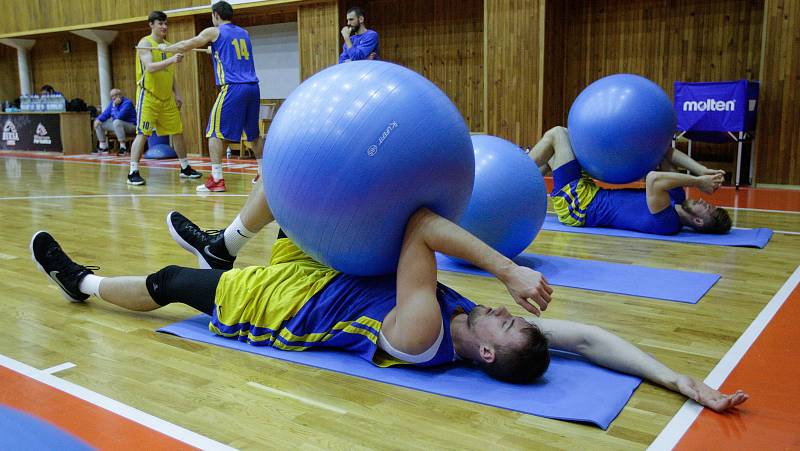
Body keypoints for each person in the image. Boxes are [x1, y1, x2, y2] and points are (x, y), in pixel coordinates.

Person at [31, 209, 747, 409]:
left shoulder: (426, 330)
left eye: (504, 319)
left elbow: (421, 227)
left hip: (284, 305)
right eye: (508, 307)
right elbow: (587, 339)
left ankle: (83, 284)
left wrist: (505, 264)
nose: (503, 308)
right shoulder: (478, 328)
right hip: (334, 266)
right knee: (296, 184)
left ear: (487, 353)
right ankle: (227, 237)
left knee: (167, 282)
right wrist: (680, 380)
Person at [529, 126, 732, 235]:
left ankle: (516, 171)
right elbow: (663, 152)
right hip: (589, 191)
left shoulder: (667, 222)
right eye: (710, 204)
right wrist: (703, 171)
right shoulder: (677, 197)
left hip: (579, 206)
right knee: (563, 146)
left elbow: (654, 179)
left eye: (708, 209)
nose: (706, 202)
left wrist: (698, 182)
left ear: (697, 221)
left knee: (557, 134)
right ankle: (526, 177)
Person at [158, 1, 264, 192]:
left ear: (215, 14)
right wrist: (214, 51)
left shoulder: (213, 31)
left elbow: (187, 44)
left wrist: (167, 49)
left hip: (233, 88)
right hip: (253, 87)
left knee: (213, 132)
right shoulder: (244, 33)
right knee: (253, 135)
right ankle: (263, 174)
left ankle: (217, 179)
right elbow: (233, 54)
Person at [128, 10, 202, 186]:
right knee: (143, 133)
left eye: (165, 23)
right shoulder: (145, 43)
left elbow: (171, 74)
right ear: (151, 25)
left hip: (166, 98)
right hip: (148, 96)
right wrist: (172, 59)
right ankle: (133, 172)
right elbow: (151, 68)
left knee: (177, 132)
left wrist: (178, 93)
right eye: (160, 23)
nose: (164, 26)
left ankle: (185, 168)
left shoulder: (168, 46)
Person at [93, 88, 136, 155]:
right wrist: (98, 119)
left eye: (115, 95)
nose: (113, 98)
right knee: (98, 123)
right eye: (112, 96)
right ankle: (103, 147)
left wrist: (114, 106)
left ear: (120, 95)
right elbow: (105, 114)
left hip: (131, 126)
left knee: (117, 122)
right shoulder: (112, 103)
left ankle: (123, 148)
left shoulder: (127, 103)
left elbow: (119, 116)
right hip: (118, 125)